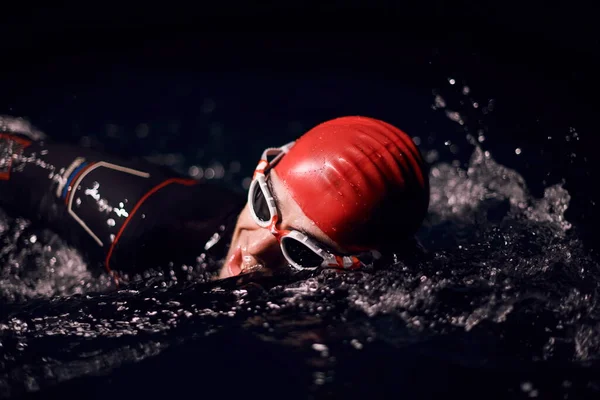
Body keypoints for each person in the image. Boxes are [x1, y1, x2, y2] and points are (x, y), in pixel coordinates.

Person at [0, 115, 429, 284]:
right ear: (264, 168)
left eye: (302, 251)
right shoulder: (126, 219)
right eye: (263, 204)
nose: (253, 250)